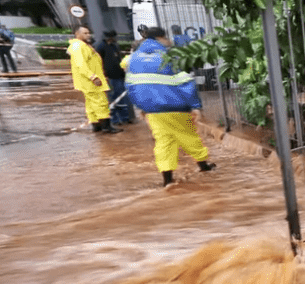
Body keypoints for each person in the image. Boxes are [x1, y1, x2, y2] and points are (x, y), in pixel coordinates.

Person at [126, 26, 215, 187]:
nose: (169, 41)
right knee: (189, 137)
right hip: (176, 106)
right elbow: (185, 83)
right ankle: (204, 166)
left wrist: (141, 107)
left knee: (163, 142)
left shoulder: (135, 58)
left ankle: (167, 180)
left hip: (152, 110)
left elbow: (131, 86)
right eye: (166, 38)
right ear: (160, 38)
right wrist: (195, 106)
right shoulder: (169, 55)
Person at [68, 25, 122, 134]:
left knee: (91, 105)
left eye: (88, 33)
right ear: (77, 34)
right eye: (85, 33)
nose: (88, 35)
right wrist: (93, 77)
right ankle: (106, 127)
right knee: (101, 103)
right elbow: (81, 64)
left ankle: (96, 125)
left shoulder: (83, 46)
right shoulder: (78, 47)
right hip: (91, 82)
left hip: (87, 81)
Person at [94, 30, 135, 125]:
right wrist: (103, 75)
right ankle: (115, 120)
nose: (114, 39)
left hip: (119, 75)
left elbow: (118, 59)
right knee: (112, 98)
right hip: (109, 77)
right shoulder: (100, 46)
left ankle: (125, 117)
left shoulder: (115, 45)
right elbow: (98, 62)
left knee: (121, 97)